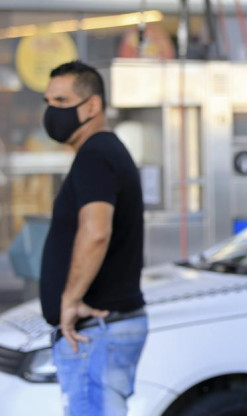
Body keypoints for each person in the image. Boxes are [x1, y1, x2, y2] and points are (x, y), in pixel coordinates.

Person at [39, 61, 146, 416]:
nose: (52, 112)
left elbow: (96, 230)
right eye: (48, 102)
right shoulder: (104, 152)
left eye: (61, 101)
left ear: (91, 106)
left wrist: (70, 299)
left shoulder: (95, 156)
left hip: (95, 332)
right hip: (103, 330)